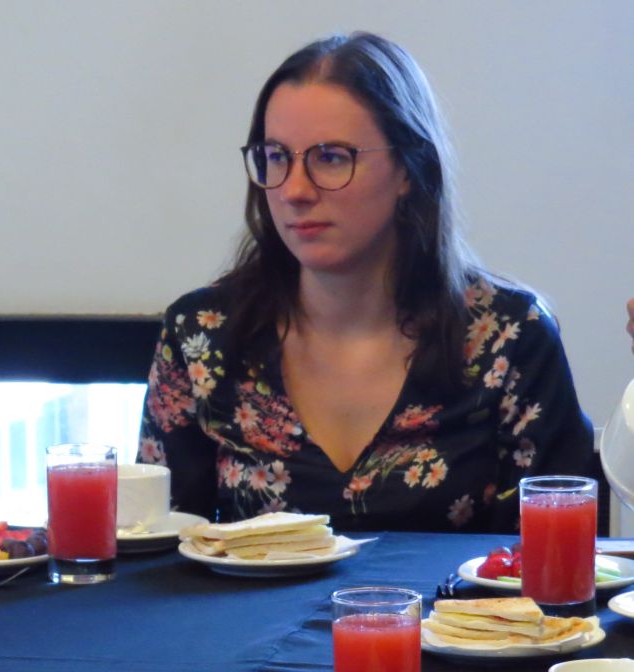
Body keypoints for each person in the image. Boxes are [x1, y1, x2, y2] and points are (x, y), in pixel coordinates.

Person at [137, 32, 595, 533]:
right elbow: (156, 545)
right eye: (276, 156)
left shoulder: (510, 336)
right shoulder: (202, 334)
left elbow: (559, 556)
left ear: (408, 169)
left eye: (331, 157)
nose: (294, 191)